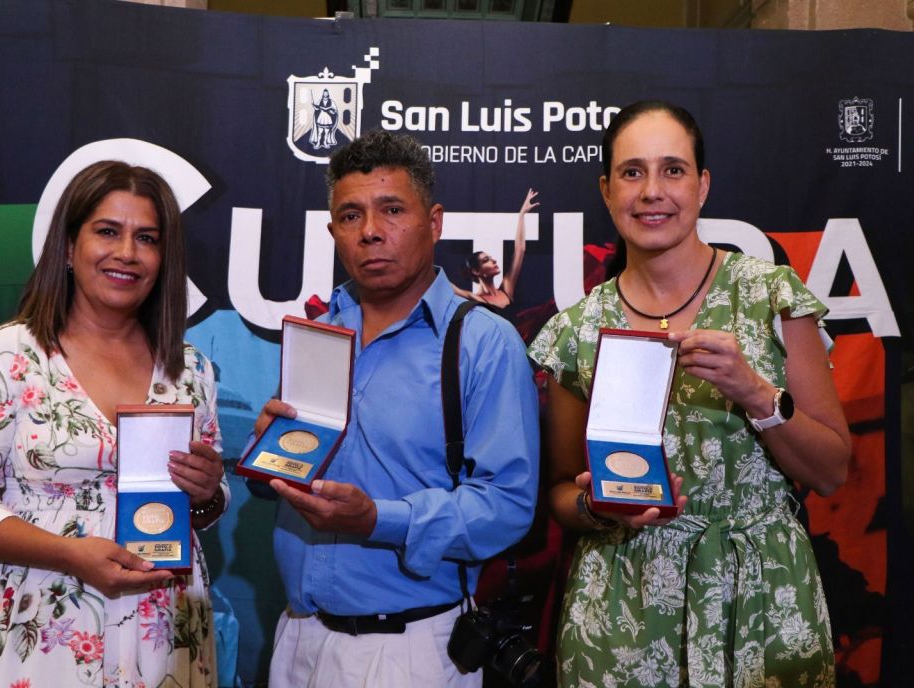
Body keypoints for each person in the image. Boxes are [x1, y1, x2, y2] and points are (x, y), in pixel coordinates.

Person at [527, 100, 851, 687]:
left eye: (672, 170)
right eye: (632, 172)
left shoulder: (769, 296)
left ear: (702, 185)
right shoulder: (577, 330)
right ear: (606, 191)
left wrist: (756, 394)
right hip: (622, 613)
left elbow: (831, 472)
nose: (652, 191)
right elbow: (560, 493)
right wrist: (597, 507)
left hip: (761, 599)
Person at [254, 129, 540, 687]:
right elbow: (288, 470)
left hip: (411, 650)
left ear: (434, 223)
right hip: (298, 638)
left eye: (391, 210)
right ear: (333, 230)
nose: (370, 231)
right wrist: (265, 458)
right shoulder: (318, 331)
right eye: (350, 215)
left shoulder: (482, 343)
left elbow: (506, 505)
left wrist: (378, 520)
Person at [0, 161, 229, 687]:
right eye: (108, 231)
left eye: (147, 238)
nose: (127, 252)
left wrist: (207, 493)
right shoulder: (8, 354)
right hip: (40, 620)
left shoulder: (190, 368)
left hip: (163, 623)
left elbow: (205, 506)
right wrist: (70, 554)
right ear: (69, 247)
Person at [453, 188, 539, 317]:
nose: (493, 260)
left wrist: (521, 215)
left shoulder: (507, 288)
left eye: (491, 257)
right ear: (476, 271)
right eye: (486, 260)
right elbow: (450, 288)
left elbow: (520, 249)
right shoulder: (475, 298)